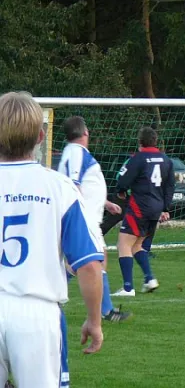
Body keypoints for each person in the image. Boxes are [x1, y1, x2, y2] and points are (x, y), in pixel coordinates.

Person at [0, 92, 104, 387]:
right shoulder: (59, 187)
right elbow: (88, 266)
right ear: (41, 136)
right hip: (37, 313)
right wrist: (94, 322)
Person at [58, 116, 131, 321]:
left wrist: (106, 203)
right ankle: (105, 311)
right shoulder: (76, 152)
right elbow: (73, 184)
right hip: (84, 218)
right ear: (86, 132)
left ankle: (106, 310)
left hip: (88, 217)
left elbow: (87, 185)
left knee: (95, 260)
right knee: (91, 262)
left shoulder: (74, 153)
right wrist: (78, 214)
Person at [112, 126, 175, 297]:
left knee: (123, 243)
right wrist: (165, 207)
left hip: (140, 207)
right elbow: (170, 186)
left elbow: (124, 179)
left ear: (140, 142)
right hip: (156, 208)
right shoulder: (166, 160)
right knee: (137, 245)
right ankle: (149, 279)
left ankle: (127, 288)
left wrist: (121, 190)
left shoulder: (138, 158)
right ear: (155, 142)